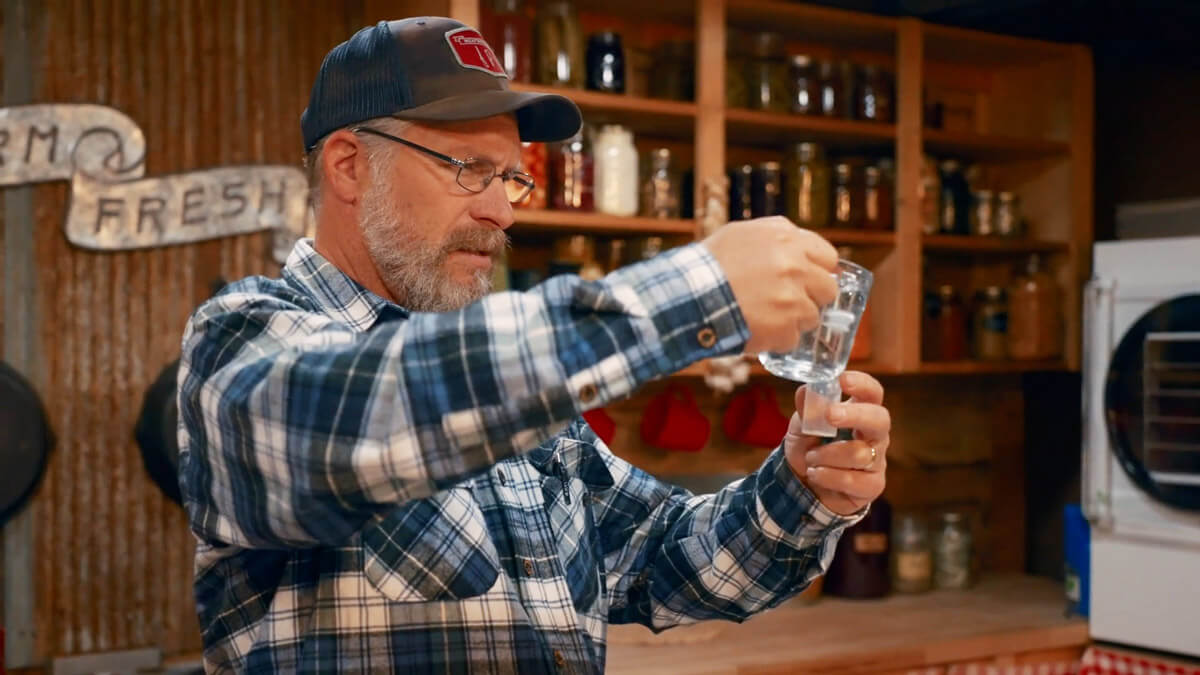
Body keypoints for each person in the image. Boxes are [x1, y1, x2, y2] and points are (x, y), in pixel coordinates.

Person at [177, 17, 891, 674]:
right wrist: (703, 289)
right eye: (467, 168)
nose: (500, 212)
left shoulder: (519, 390)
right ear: (348, 167)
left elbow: (660, 558)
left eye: (511, 178)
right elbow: (372, 413)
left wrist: (803, 488)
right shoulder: (241, 343)